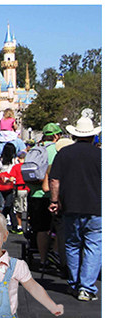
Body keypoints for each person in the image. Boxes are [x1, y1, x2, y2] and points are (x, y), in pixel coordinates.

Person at [49, 116, 102, 301]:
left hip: (70, 206)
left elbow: (54, 180)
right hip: (96, 207)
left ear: (75, 135)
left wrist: (54, 201)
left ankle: (74, 283)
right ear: (93, 136)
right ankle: (86, 287)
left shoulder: (64, 154)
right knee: (94, 246)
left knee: (72, 245)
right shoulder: (101, 155)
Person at [27, 122, 62, 271]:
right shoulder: (56, 150)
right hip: (51, 195)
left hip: (35, 194)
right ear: (56, 136)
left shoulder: (35, 149)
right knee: (58, 227)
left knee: (41, 229)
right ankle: (55, 254)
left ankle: (42, 260)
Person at [0, 142, 18, 230]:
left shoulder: (0, 161)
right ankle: (1, 221)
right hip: (11, 184)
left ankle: (14, 225)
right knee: (8, 204)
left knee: (7, 204)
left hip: (1, 184)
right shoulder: (14, 161)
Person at [9, 150, 28, 234]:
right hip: (28, 188)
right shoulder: (28, 166)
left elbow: (12, 178)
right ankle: (28, 225)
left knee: (19, 208)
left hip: (19, 189)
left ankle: (20, 226)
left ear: (18, 158)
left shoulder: (16, 167)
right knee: (27, 207)